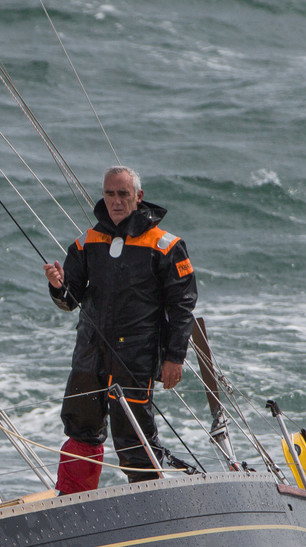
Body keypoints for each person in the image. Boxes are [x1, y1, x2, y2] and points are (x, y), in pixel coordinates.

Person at [45, 166, 197, 492]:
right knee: (80, 425)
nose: (115, 201)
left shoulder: (166, 246)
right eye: (109, 194)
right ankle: (73, 498)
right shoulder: (87, 242)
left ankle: (150, 499)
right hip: (90, 349)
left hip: (136, 354)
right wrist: (58, 286)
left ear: (138, 198)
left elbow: (182, 308)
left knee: (132, 435)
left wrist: (174, 358)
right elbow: (69, 300)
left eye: (123, 194)